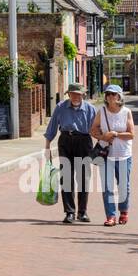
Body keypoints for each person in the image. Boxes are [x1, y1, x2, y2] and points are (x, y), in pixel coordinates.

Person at [44, 82, 97, 224]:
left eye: (78, 94)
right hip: (66, 141)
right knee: (66, 178)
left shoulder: (91, 109)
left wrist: (102, 145)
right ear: (68, 94)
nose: (75, 97)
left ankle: (82, 212)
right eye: (73, 94)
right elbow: (52, 126)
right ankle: (69, 212)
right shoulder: (61, 107)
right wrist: (47, 146)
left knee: (83, 178)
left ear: (83, 95)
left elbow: (97, 129)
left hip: (84, 142)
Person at [92, 84, 134, 226]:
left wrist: (115, 134)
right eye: (108, 94)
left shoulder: (126, 112)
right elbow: (93, 130)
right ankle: (110, 216)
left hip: (123, 155)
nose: (110, 96)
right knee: (107, 187)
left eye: (113, 94)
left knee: (123, 186)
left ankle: (123, 211)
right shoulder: (101, 112)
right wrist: (104, 137)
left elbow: (131, 134)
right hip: (106, 155)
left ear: (119, 96)